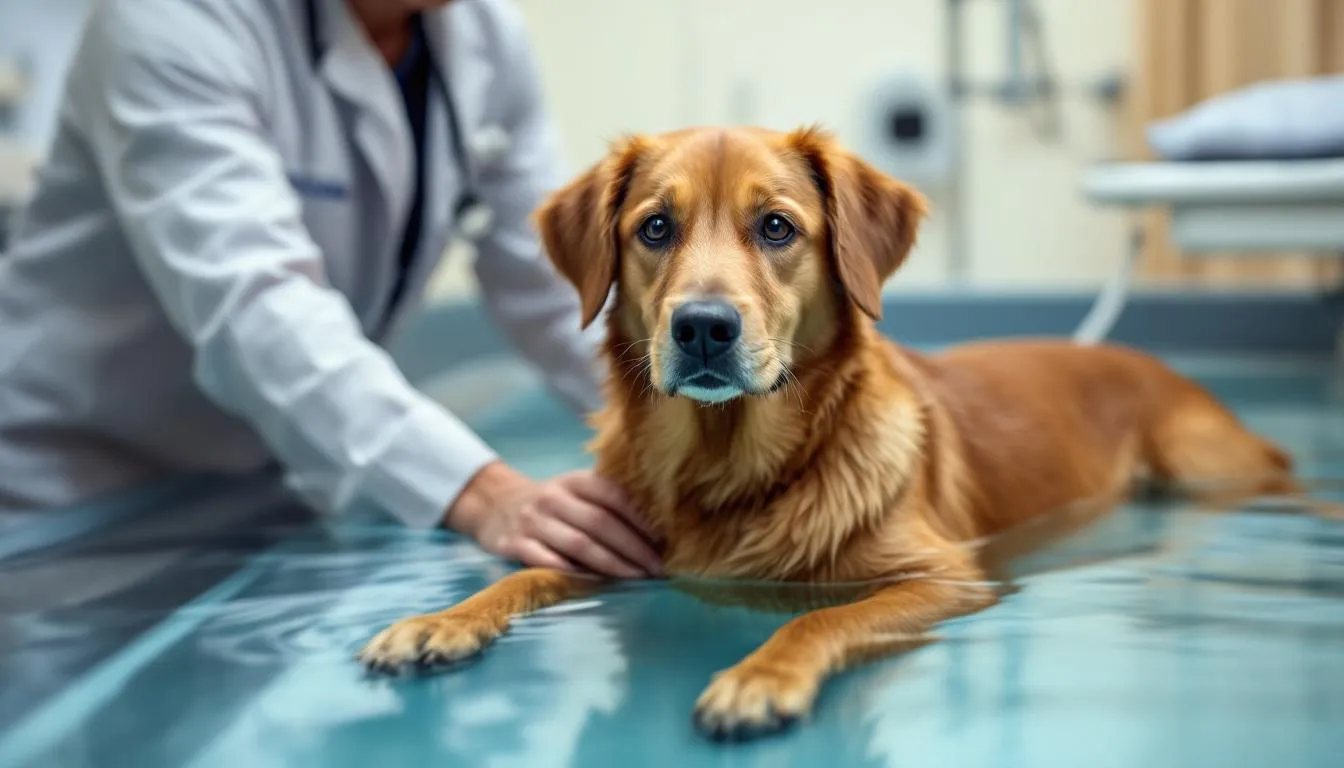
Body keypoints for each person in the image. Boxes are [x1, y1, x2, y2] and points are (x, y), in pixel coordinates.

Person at [0, 0, 662, 579]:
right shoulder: (173, 19)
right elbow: (257, 309)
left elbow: (552, 293)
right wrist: (485, 493)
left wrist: (682, 426)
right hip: (72, 495)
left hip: (265, 483)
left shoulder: (486, 40)